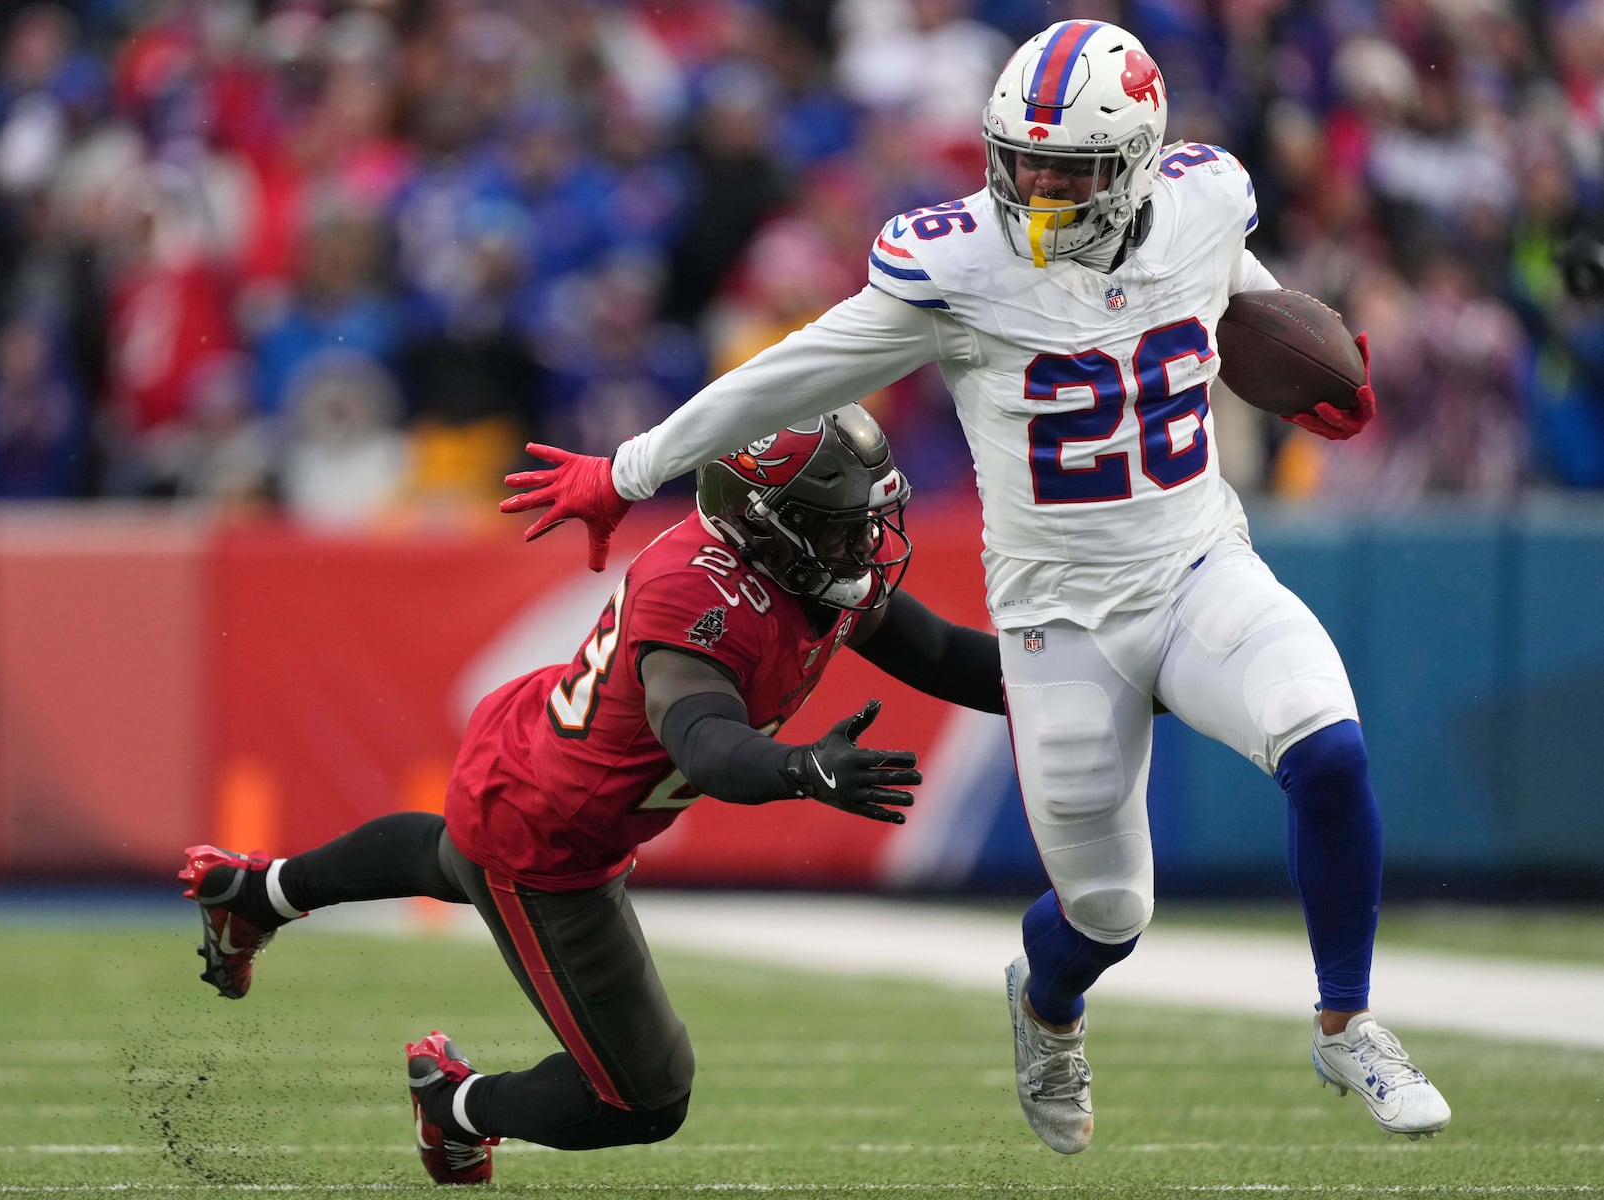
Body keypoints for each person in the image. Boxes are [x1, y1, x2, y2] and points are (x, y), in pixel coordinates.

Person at [498, 19, 1449, 1154]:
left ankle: (1346, 1023)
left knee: (1327, 751)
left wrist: (1316, 376)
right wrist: (628, 470)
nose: (1035, 187)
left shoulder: (1204, 202)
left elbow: (1241, 301)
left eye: (1066, 168)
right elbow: (790, 372)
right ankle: (1046, 1008)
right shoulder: (957, 266)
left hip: (1199, 567)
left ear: (1136, 162)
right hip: (1055, 619)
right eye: (1020, 159)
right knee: (1107, 914)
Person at [181, 403, 1009, 1185]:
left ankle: (257, 894)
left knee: (454, 856)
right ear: (765, 522)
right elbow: (703, 742)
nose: (863, 541)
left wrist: (1061, 692)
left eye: (865, 518)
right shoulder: (704, 596)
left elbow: (937, 651)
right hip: (553, 834)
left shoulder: (796, 563)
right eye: (838, 524)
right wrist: (801, 769)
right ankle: (455, 1106)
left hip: (538, 754)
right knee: (644, 1098)